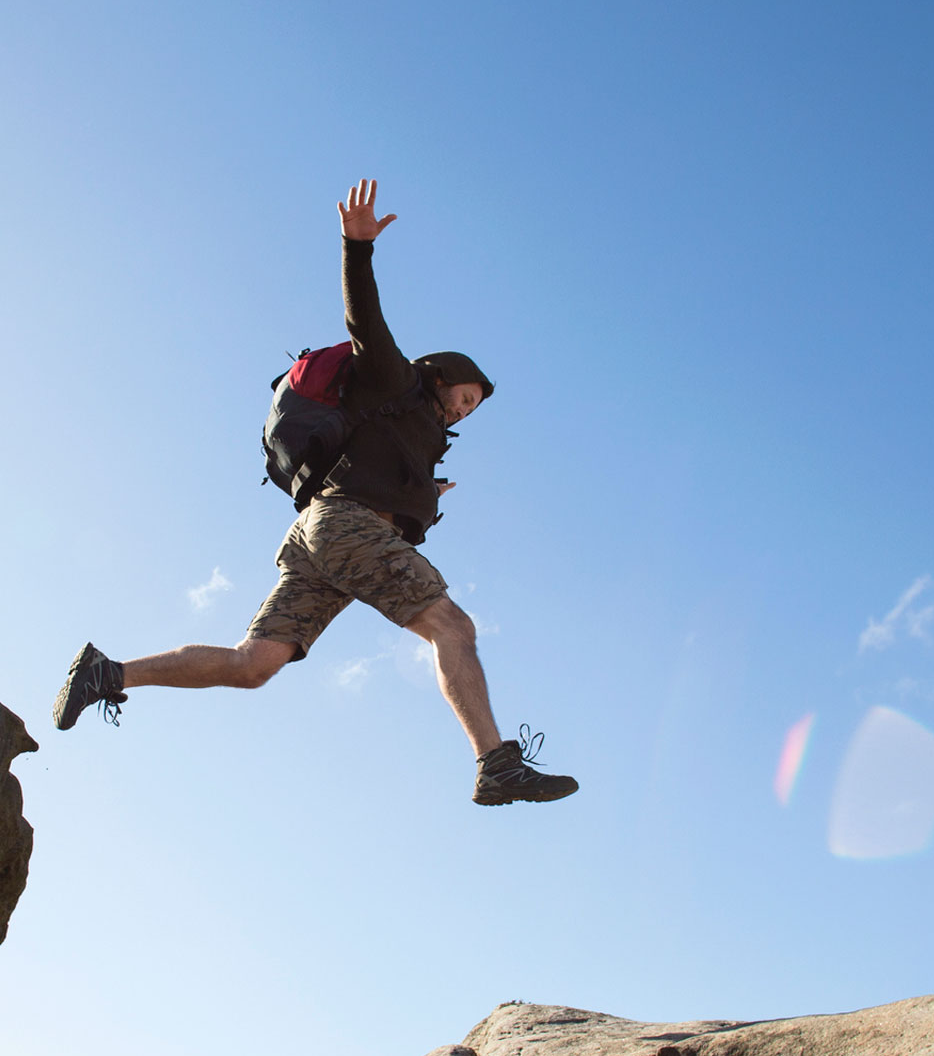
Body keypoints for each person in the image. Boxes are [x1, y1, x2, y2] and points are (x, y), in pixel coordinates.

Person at [52, 178, 578, 807]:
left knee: (255, 665)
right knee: (452, 625)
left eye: (471, 410)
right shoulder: (397, 383)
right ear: (440, 375)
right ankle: (496, 763)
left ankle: (108, 673)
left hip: (322, 533)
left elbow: (378, 473)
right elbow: (365, 318)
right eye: (463, 397)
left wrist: (422, 493)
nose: (462, 412)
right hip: (347, 525)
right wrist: (357, 249)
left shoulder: (414, 439)